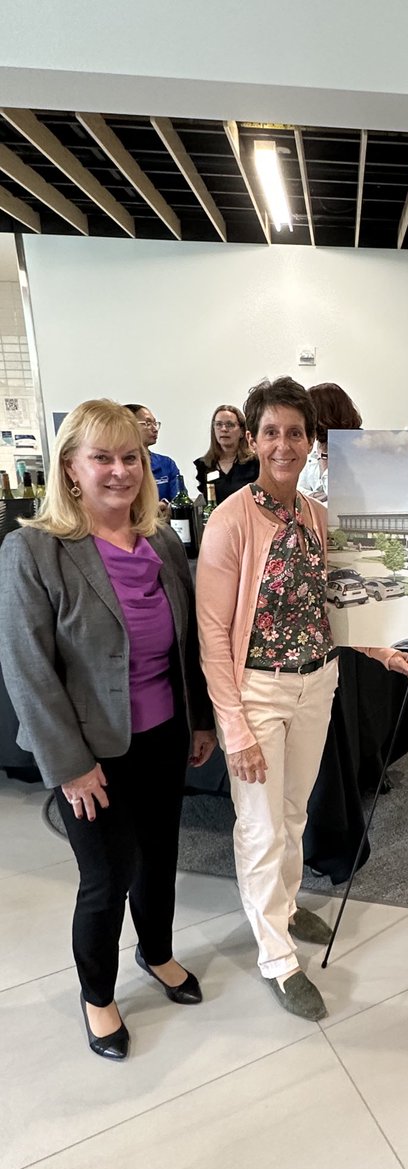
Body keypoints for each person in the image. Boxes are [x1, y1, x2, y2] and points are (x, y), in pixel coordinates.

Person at [196, 376, 408, 1021]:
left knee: (293, 813)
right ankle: (274, 954)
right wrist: (232, 725)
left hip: (317, 680)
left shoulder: (315, 517)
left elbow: (333, 608)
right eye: (271, 432)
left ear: (309, 439)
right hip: (258, 689)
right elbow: (213, 632)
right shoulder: (231, 519)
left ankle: (286, 909)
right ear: (253, 437)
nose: (284, 443)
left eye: (295, 432)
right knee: (261, 824)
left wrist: (381, 649)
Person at [0, 400, 217, 1061]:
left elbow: (189, 647)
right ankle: (98, 996)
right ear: (71, 468)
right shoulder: (34, 549)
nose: (119, 470)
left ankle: (157, 953)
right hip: (90, 754)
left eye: (131, 457)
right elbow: (27, 669)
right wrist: (68, 765)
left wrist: (199, 720)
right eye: (102, 457)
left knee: (158, 859)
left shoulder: (161, 542)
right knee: (107, 877)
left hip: (162, 737)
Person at [297, 382, 362, 500]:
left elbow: (339, 496)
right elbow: (298, 487)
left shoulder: (358, 447)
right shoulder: (315, 444)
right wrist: (313, 496)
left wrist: (324, 457)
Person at [194, 404, 259, 503]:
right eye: (219, 424)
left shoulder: (255, 463)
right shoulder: (204, 465)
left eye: (230, 425)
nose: (224, 429)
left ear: (242, 431)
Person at [123, 404, 182, 506]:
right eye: (148, 423)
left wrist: (167, 507)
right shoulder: (119, 468)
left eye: (155, 423)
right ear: (129, 426)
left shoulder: (166, 464)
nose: (155, 429)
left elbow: (180, 500)